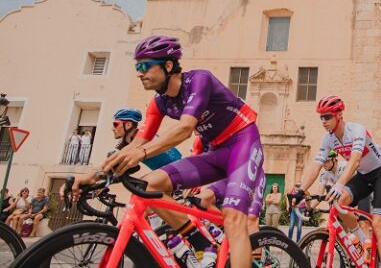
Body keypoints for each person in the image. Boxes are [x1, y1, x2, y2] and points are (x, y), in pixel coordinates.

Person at [72, 35, 263, 268]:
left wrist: (141, 153)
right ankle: (201, 242)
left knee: (234, 219)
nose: (140, 72)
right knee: (147, 186)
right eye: (137, 67)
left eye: (145, 65)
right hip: (214, 152)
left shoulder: (199, 79)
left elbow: (184, 129)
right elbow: (135, 143)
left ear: (168, 65)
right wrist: (95, 174)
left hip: (243, 144)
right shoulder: (159, 103)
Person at [293, 95, 381, 268]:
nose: (323, 121)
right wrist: (300, 191)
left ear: (339, 115)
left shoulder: (356, 130)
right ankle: (364, 242)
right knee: (338, 204)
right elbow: (316, 165)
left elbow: (355, 160)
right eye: (321, 117)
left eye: (327, 116)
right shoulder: (328, 139)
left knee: (378, 223)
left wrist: (339, 184)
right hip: (364, 176)